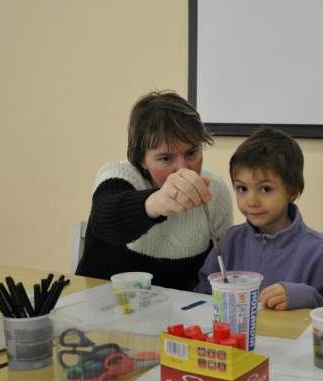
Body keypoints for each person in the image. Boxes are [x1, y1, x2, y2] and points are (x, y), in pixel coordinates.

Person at [76, 91, 233, 291]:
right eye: (166, 158)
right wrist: (154, 203)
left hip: (182, 307)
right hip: (104, 302)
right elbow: (104, 221)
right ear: (141, 159)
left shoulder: (215, 190)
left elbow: (219, 271)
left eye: (192, 153)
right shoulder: (119, 175)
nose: (183, 169)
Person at [197, 127, 323, 310]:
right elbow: (202, 295)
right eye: (242, 189)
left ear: (291, 191)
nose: (251, 201)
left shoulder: (316, 250)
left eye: (265, 189)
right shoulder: (230, 240)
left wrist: (303, 296)